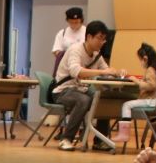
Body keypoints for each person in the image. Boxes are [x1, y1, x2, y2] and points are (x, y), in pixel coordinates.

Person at [51, 20, 125, 152]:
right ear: (89, 37)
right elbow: (76, 71)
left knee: (102, 98)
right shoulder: (75, 50)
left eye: (104, 39)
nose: (102, 42)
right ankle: (66, 139)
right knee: (84, 100)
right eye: (99, 38)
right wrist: (103, 72)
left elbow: (107, 72)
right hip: (62, 91)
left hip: (81, 90)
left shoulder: (97, 55)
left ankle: (100, 141)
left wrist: (117, 73)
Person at [113, 43, 156, 146]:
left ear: (145, 59)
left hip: (150, 101)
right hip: (155, 101)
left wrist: (136, 81)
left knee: (126, 105)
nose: (140, 62)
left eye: (140, 60)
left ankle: (124, 133)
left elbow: (151, 86)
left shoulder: (150, 69)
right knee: (150, 115)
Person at [51, 7, 86, 76]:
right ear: (67, 21)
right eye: (71, 22)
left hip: (82, 65)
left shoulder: (87, 32)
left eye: (76, 22)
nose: (74, 25)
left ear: (81, 20)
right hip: (65, 67)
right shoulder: (62, 33)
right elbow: (56, 51)